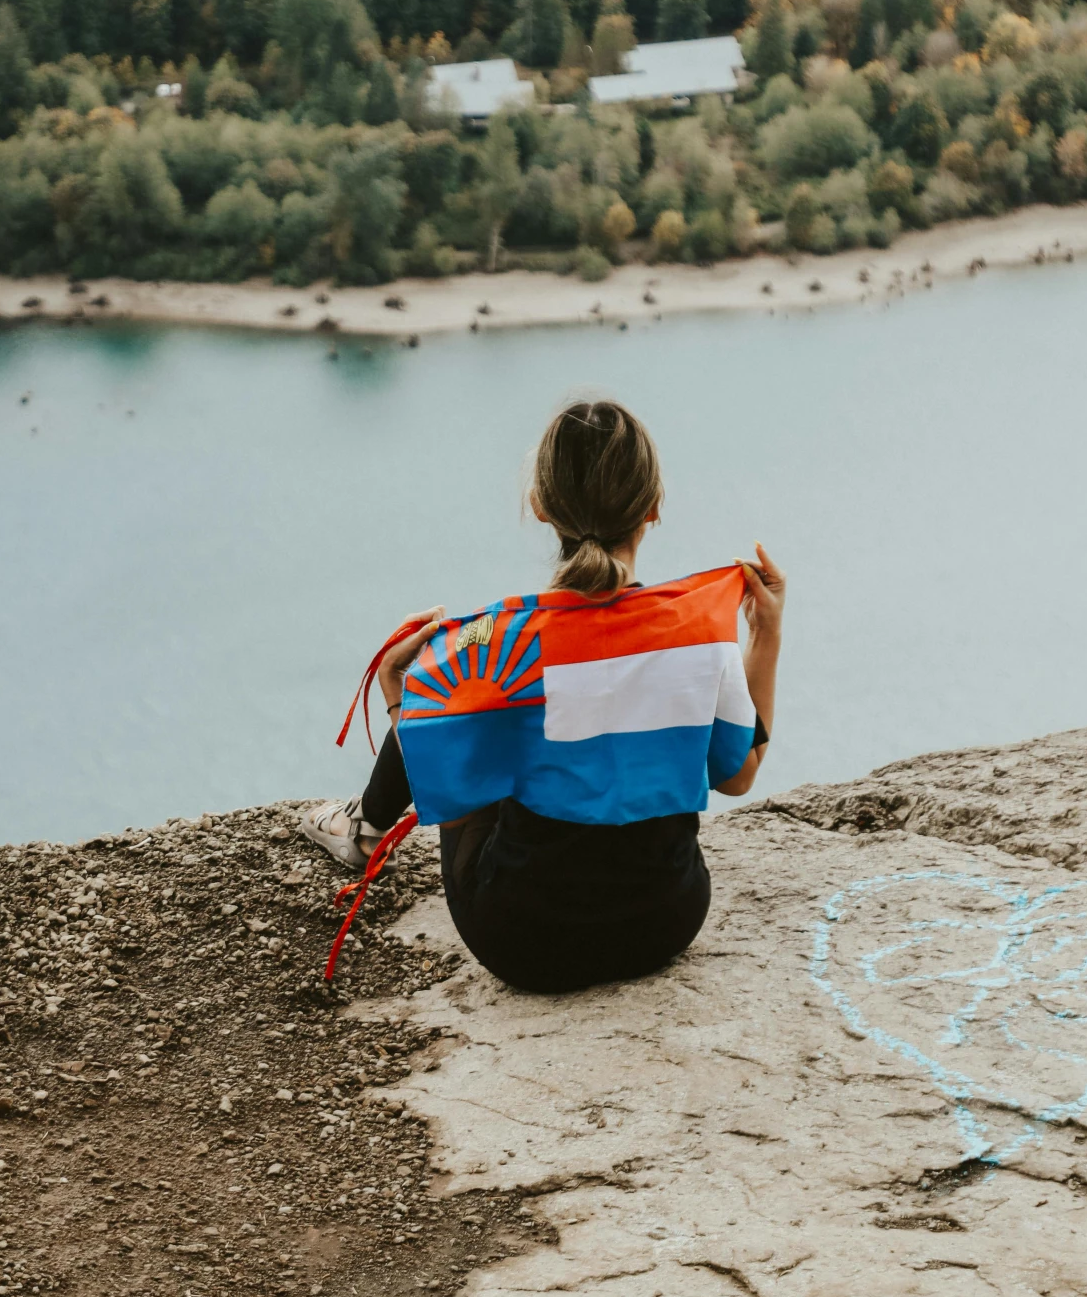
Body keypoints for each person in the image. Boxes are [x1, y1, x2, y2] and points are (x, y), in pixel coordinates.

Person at [301, 398, 785, 994]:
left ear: (539, 506)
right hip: (664, 923)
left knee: (461, 716)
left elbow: (448, 790)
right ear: (654, 506)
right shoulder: (697, 633)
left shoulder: (492, 641)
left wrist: (401, 693)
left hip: (524, 943)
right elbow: (739, 778)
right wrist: (765, 635)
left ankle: (363, 829)